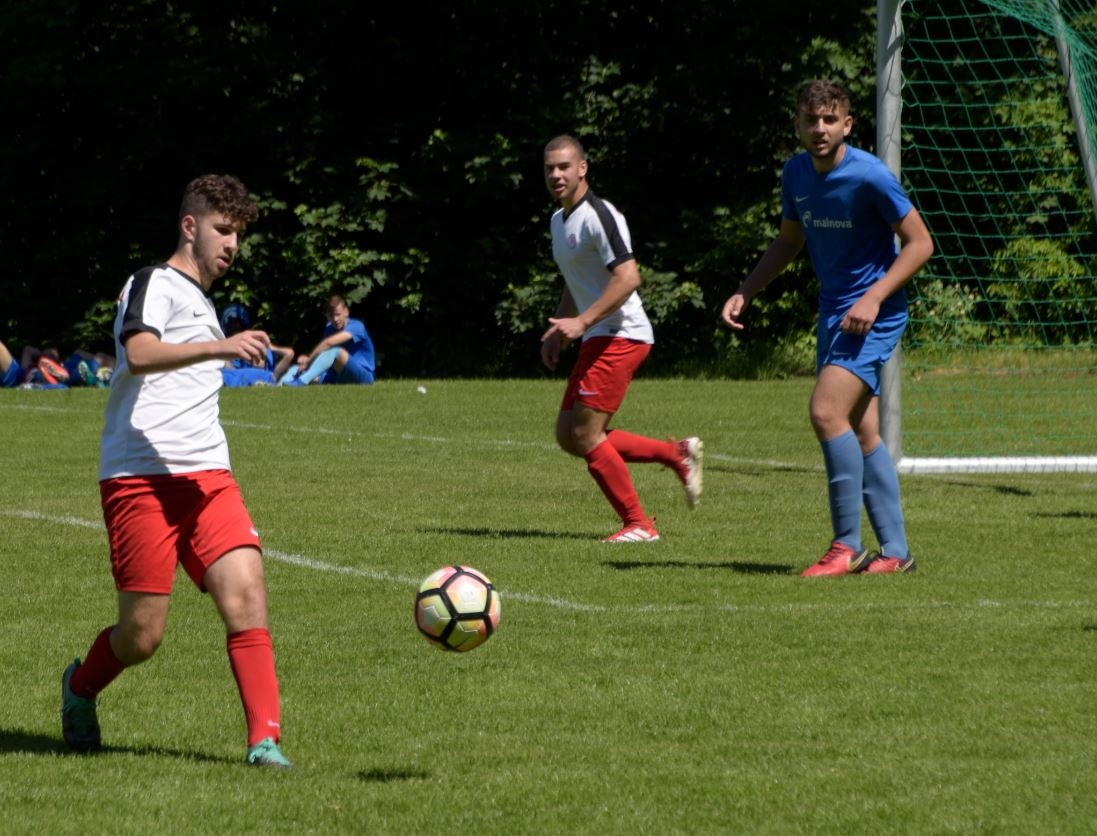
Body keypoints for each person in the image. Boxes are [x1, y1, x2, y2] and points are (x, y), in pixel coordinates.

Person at [60, 174, 292, 767]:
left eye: (238, 234)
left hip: (209, 478)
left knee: (247, 597)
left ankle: (264, 742)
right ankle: (80, 687)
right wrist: (222, 347)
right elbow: (138, 354)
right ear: (190, 226)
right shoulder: (154, 283)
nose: (232, 244)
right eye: (223, 229)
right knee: (142, 637)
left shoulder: (204, 305)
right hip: (139, 479)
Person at [720, 79, 935, 577]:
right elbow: (788, 242)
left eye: (830, 119)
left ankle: (846, 547)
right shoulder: (796, 173)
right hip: (834, 312)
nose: (820, 128)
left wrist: (874, 296)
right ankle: (895, 553)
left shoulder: (870, 175)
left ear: (847, 125)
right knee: (861, 429)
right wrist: (746, 290)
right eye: (811, 120)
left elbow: (921, 243)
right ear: (797, 125)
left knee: (825, 411)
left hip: (875, 312)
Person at [540, 134, 703, 543]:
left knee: (585, 434)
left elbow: (628, 277)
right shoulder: (559, 221)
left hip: (621, 333)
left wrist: (583, 321)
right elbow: (576, 278)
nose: (556, 174)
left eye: (564, 166)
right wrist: (562, 327)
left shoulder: (599, 214)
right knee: (569, 435)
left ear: (583, 168)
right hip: (598, 333)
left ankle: (639, 524)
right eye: (549, 168)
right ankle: (675, 454)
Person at [278, 294, 376, 386]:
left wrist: (309, 361)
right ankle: (279, 385)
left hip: (364, 378)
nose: (335, 319)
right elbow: (324, 353)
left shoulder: (357, 326)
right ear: (327, 315)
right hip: (338, 375)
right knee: (297, 368)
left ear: (346, 312)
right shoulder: (329, 328)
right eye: (331, 316)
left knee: (336, 351)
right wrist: (306, 361)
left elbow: (328, 343)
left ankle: (301, 381)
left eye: (338, 314)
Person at [220, 302, 295, 387]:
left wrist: (271, 347)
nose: (258, 359)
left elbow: (289, 354)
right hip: (227, 375)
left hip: (232, 381)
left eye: (261, 357)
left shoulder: (270, 377)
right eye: (256, 355)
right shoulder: (235, 371)